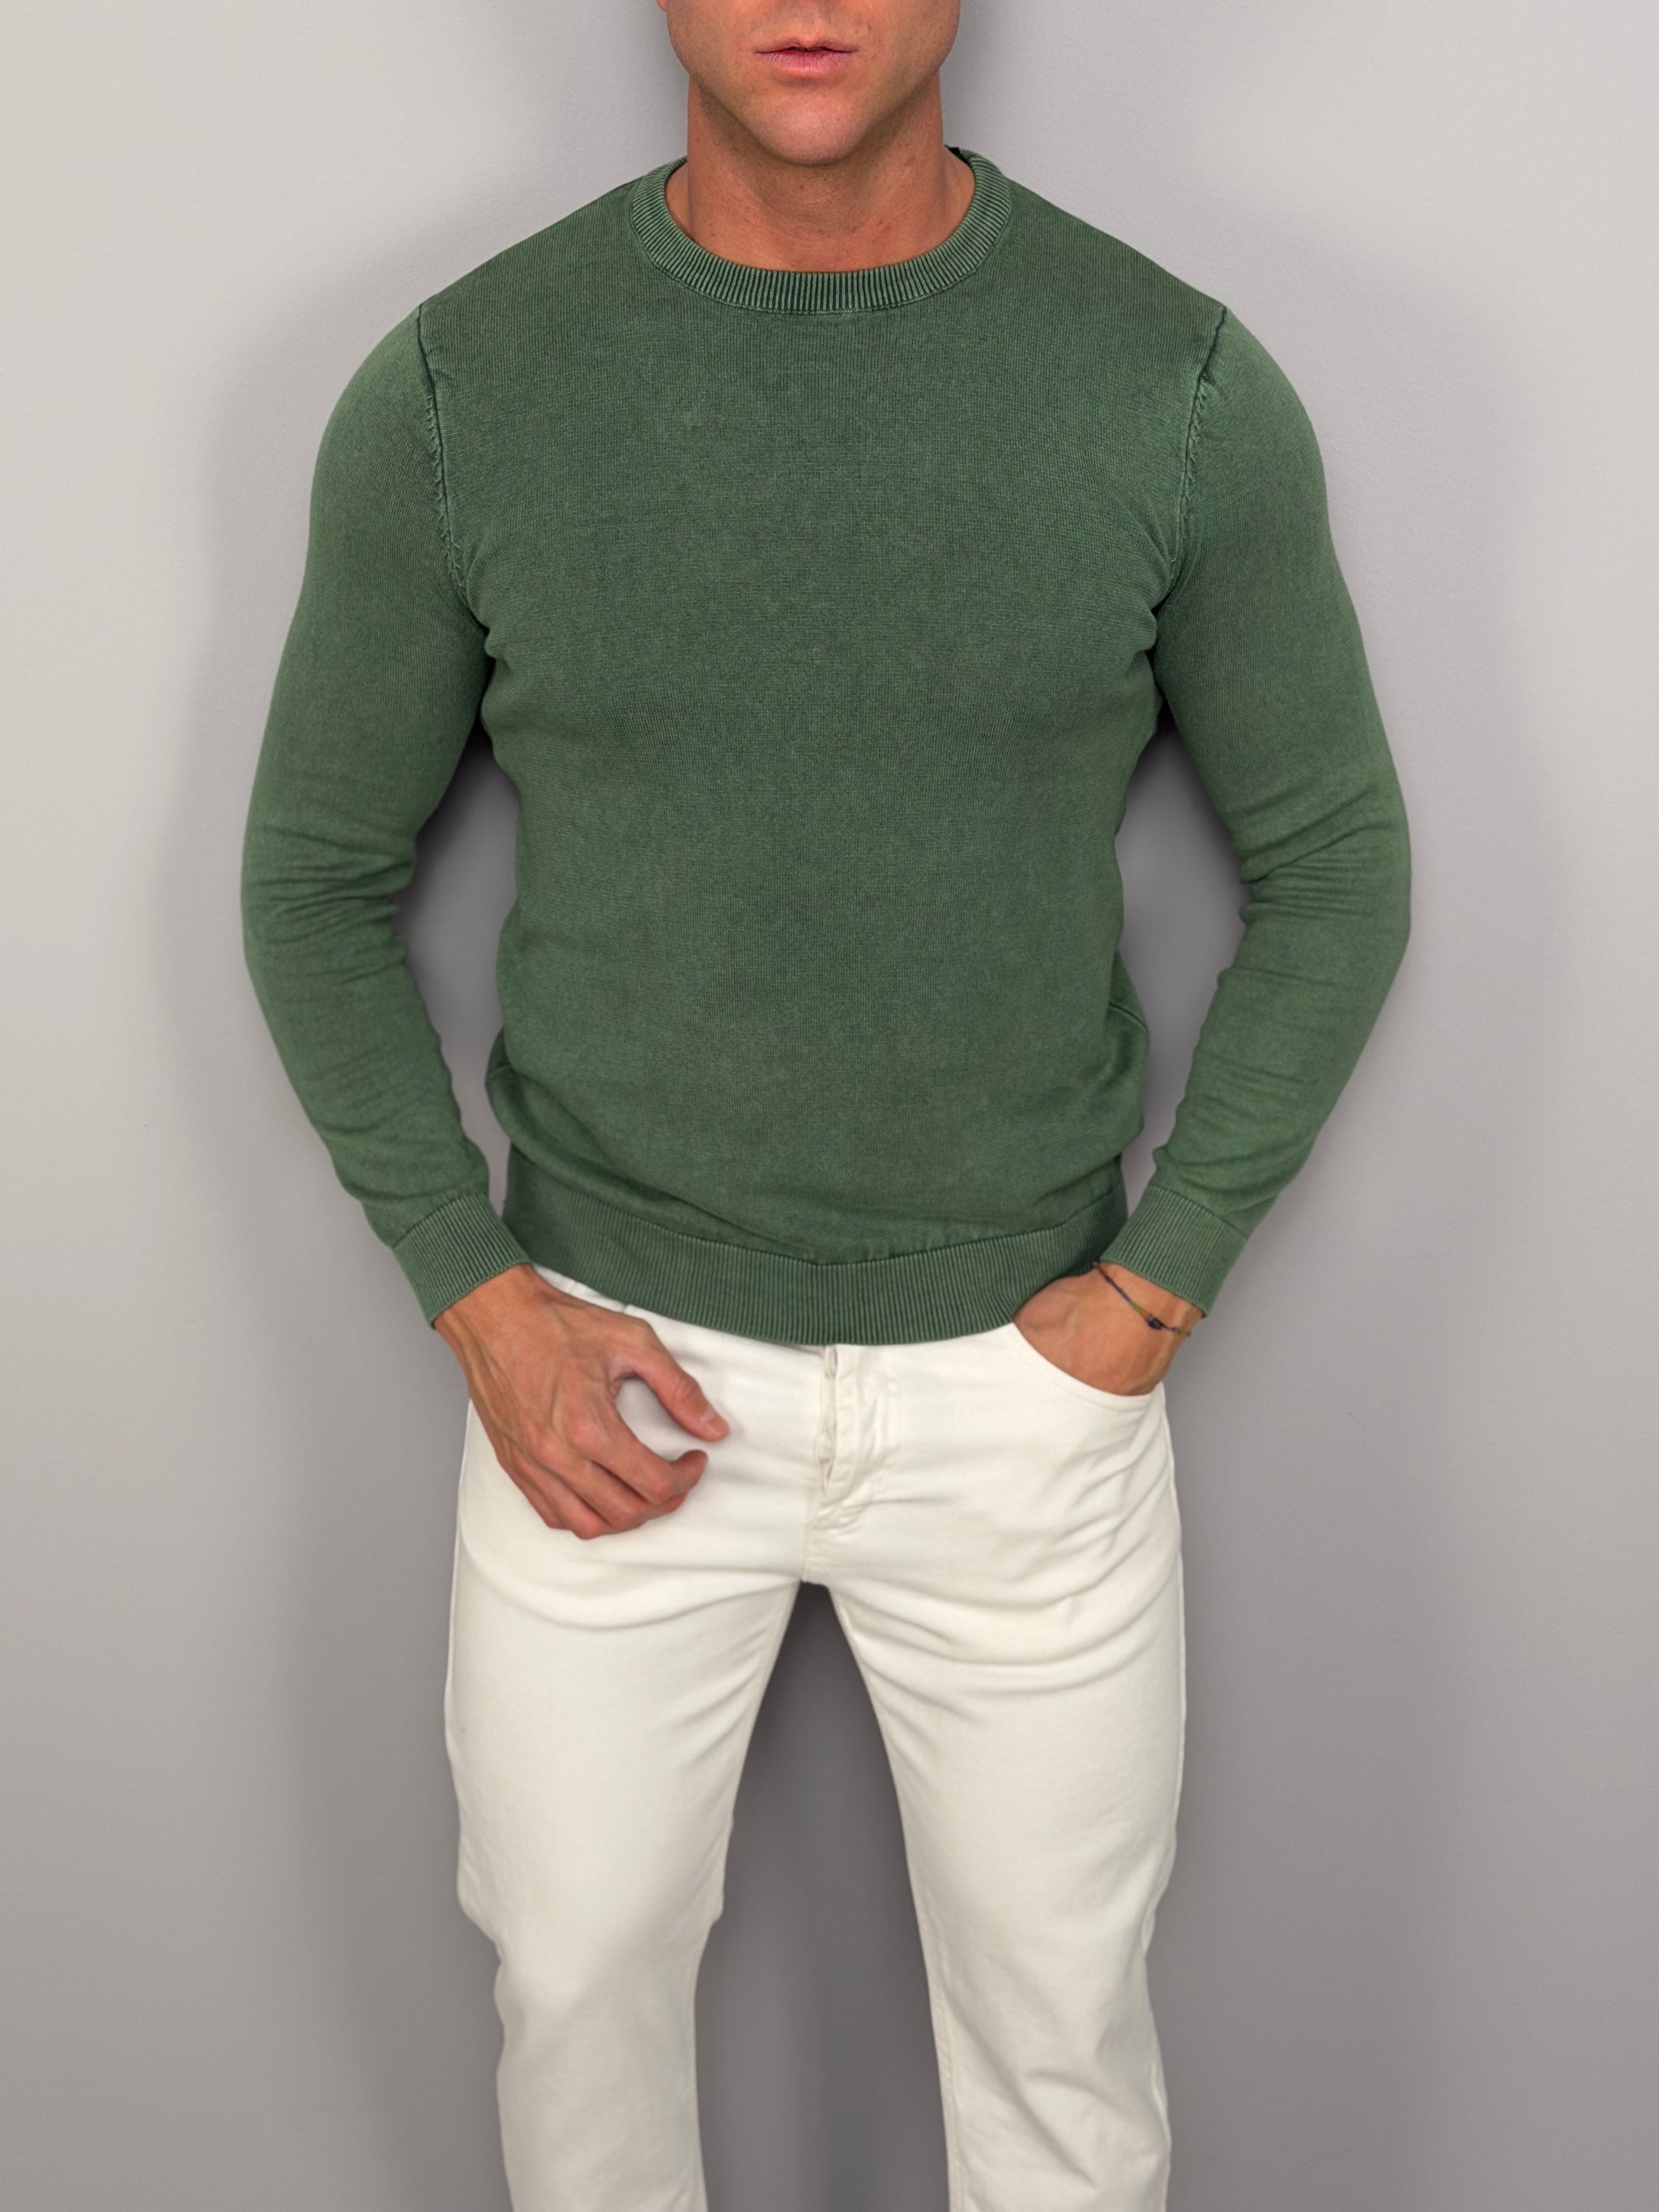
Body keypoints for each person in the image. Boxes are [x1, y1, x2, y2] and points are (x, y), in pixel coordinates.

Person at [240, 3, 1411, 2206]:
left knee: (1061, 2052)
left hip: (1027, 1396)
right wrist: (477, 1294)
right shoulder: (466, 389)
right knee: (574, 1999)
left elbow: (1338, 861)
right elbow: (310, 879)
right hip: (605, 1384)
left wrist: (1152, 1293)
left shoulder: (1167, 384)